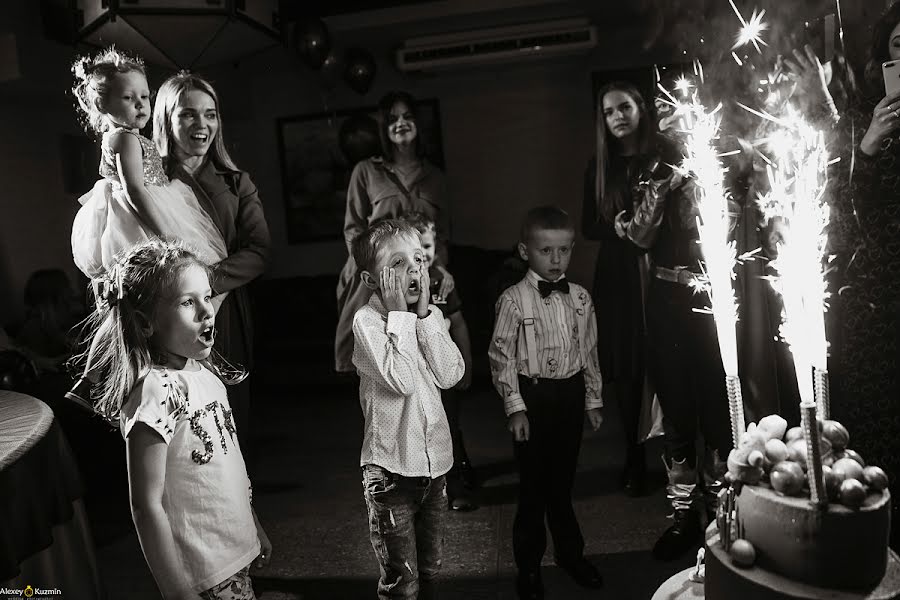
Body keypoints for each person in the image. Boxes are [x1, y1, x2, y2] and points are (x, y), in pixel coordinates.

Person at [77, 239, 271, 600]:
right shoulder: (155, 390)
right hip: (203, 571)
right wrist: (176, 590)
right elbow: (145, 505)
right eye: (187, 302)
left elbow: (228, 467)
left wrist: (252, 525)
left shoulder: (207, 376)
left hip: (235, 554)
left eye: (207, 296)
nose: (207, 311)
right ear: (146, 323)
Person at [67, 47, 228, 405]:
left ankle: (186, 365)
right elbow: (136, 191)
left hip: (154, 208)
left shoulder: (134, 137)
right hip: (137, 225)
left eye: (145, 96)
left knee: (165, 300)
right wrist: (165, 234)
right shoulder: (123, 138)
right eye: (129, 97)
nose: (141, 105)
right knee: (126, 308)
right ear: (103, 106)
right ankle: (93, 379)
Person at [624, 127, 734, 561]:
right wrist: (663, 182)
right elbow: (638, 236)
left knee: (720, 414)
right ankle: (684, 518)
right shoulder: (654, 170)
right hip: (668, 304)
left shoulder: (724, 161)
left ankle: (723, 515)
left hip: (715, 301)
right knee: (677, 415)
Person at [153, 72, 271, 463]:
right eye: (188, 114)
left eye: (210, 114)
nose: (201, 125)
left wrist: (209, 285)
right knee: (182, 422)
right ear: (167, 118)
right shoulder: (149, 181)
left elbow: (259, 250)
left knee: (230, 415)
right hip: (168, 314)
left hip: (227, 314)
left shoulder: (237, 182)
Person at [489, 206, 604, 600]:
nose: (556, 261)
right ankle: (529, 567)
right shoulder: (513, 301)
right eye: (545, 251)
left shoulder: (582, 299)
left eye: (564, 251)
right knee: (533, 488)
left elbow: (589, 351)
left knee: (563, 485)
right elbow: (501, 356)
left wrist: (592, 399)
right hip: (533, 396)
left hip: (569, 396)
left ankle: (571, 556)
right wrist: (515, 407)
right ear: (526, 251)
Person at [351, 219, 465, 600]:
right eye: (398, 263)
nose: (415, 269)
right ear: (371, 279)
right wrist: (401, 316)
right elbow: (400, 380)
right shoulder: (367, 322)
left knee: (431, 568)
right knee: (403, 580)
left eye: (418, 259)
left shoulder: (424, 320)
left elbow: (451, 374)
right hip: (392, 474)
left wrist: (426, 316)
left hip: (434, 472)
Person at [828, 2, 900, 550]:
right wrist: (869, 149)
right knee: (879, 439)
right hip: (877, 304)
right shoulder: (860, 120)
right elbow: (839, 219)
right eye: (898, 47)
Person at [335, 90, 455, 374]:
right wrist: (372, 269)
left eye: (407, 116)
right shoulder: (365, 171)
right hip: (379, 275)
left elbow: (443, 235)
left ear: (418, 124)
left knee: (431, 357)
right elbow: (353, 229)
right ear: (384, 128)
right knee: (377, 360)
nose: (400, 123)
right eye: (392, 119)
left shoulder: (436, 177)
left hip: (420, 273)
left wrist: (440, 267)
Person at [582, 80, 659, 497]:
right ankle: (634, 456)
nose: (617, 117)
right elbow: (585, 226)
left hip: (657, 270)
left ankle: (678, 456)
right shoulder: (598, 167)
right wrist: (612, 227)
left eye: (624, 107)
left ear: (640, 108)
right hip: (616, 274)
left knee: (661, 360)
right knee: (627, 370)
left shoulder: (662, 157)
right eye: (609, 112)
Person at [404, 211, 478, 511]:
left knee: (449, 425)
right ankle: (426, 487)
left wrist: (467, 366)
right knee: (420, 429)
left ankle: (457, 481)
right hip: (416, 373)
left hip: (444, 369)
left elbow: (459, 323)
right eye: (415, 251)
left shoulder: (442, 281)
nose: (423, 257)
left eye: (429, 248)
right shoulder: (400, 284)